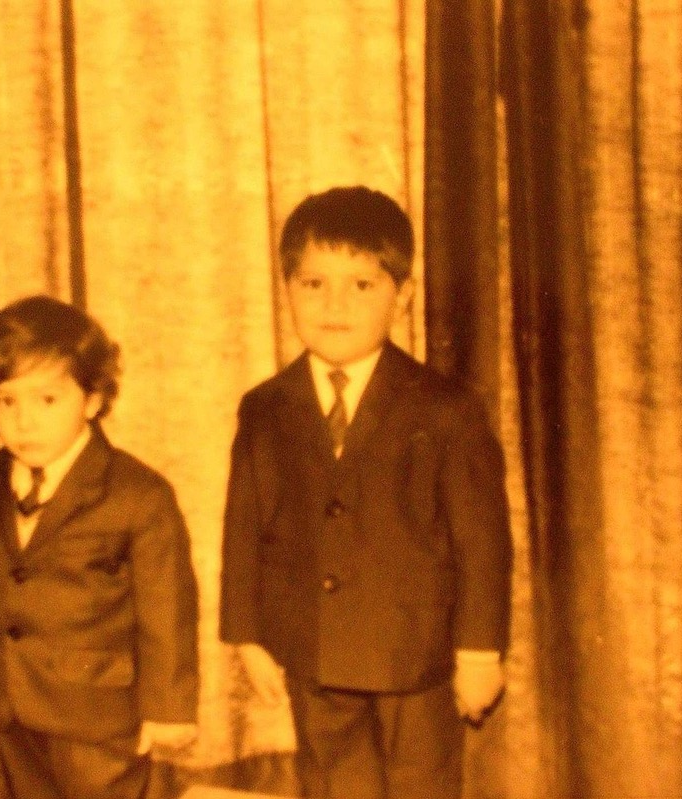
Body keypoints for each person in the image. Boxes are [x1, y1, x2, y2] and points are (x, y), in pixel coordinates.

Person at [219, 186, 513, 799]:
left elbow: (482, 542)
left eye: (361, 285)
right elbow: (244, 528)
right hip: (314, 650)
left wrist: (480, 652)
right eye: (313, 284)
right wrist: (247, 635)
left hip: (416, 659)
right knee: (331, 786)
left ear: (402, 297)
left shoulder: (446, 408)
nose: (334, 305)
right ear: (287, 290)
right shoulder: (265, 408)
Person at [0, 295, 200, 799]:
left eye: (47, 400)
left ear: (94, 400)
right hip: (13, 708)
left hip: (100, 721)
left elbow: (167, 611)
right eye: (6, 402)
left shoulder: (138, 495)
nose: (24, 421)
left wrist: (168, 710)